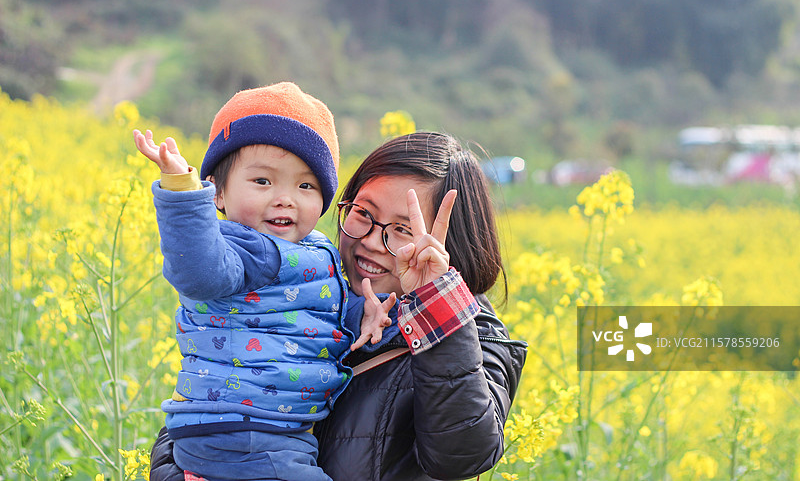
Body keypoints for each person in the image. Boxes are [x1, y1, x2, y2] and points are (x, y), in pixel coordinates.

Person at [150, 131, 528, 481]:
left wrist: (437, 303)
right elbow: (201, 419)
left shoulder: (476, 338)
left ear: (450, 244)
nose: (372, 242)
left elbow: (461, 455)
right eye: (363, 213)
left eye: (403, 229)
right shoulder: (303, 294)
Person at [135, 82, 423, 481]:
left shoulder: (316, 250)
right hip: (238, 427)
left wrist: (364, 314)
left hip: (279, 429)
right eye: (263, 182)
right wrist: (183, 194)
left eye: (305, 186)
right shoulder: (238, 248)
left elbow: (321, 304)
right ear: (217, 193)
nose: (285, 198)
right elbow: (197, 273)